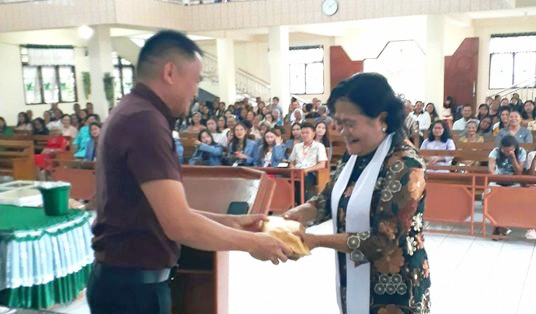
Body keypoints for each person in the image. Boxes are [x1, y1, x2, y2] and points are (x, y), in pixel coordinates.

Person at [88, 30, 290, 314]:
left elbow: (164, 212)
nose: (196, 91)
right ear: (170, 72)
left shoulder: (133, 111)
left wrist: (230, 222)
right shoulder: (144, 121)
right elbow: (179, 225)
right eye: (195, 80)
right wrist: (253, 243)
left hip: (124, 282)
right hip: (132, 291)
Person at [284, 73, 431, 314]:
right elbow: (328, 198)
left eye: (350, 123)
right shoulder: (355, 154)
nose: (342, 131)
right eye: (338, 122)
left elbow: (383, 239)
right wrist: (298, 214)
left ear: (381, 119)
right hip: (353, 274)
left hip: (396, 289)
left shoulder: (406, 165)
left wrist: (315, 241)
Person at [488, 135, 527, 238]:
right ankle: (500, 226)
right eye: (505, 151)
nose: (507, 153)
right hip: (498, 180)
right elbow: (491, 170)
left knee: (512, 199)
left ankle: (499, 227)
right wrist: (496, 177)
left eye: (509, 150)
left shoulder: (521, 152)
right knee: (489, 195)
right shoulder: (495, 151)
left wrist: (513, 157)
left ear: (514, 148)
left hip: (514, 181)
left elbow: (519, 172)